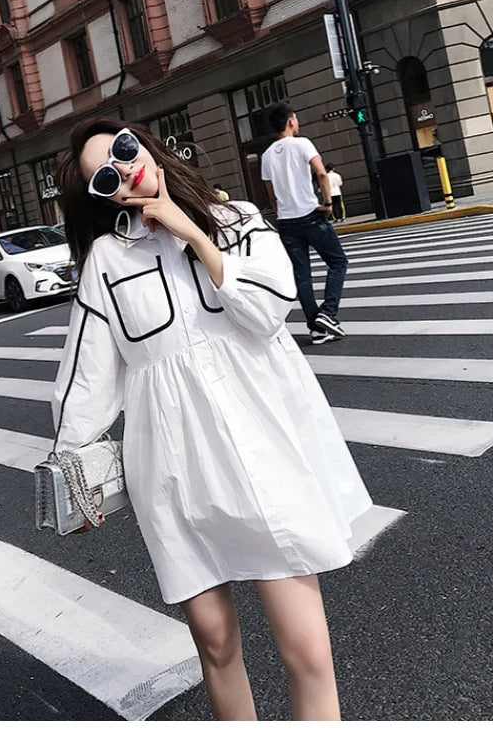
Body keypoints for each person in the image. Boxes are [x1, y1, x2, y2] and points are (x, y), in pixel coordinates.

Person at [52, 117, 372, 721]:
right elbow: (86, 377)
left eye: (125, 149)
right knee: (217, 645)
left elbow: (269, 309)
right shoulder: (105, 263)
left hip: (264, 449)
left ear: (146, 145)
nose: (123, 168)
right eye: (103, 176)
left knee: (307, 650)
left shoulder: (241, 221)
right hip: (172, 464)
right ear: (100, 197)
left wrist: (190, 232)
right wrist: (70, 468)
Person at [260, 103, 348, 345]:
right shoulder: (302, 144)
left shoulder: (266, 156)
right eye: (295, 118)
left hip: (287, 222)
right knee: (338, 262)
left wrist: (282, 213)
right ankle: (328, 313)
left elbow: (271, 195)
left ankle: (316, 327)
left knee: (302, 274)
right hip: (310, 215)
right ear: (290, 121)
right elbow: (321, 173)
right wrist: (328, 203)